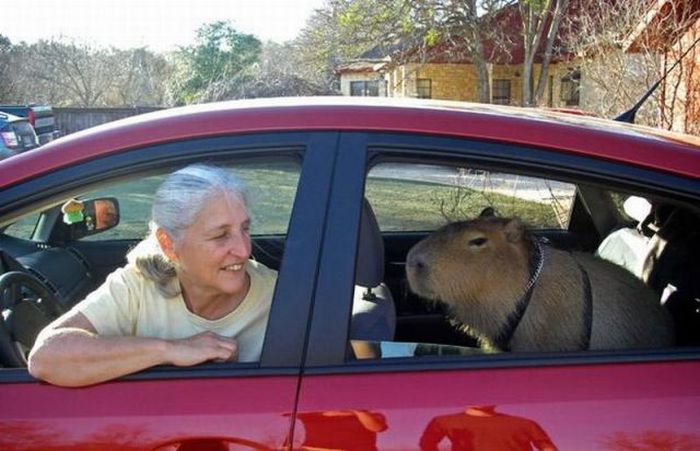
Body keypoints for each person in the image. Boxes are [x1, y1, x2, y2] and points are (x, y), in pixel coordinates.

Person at [28, 164, 277, 387]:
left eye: (244, 228)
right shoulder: (137, 285)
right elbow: (46, 357)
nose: (244, 250)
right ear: (167, 243)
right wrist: (171, 350)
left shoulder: (282, 296)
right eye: (220, 235)